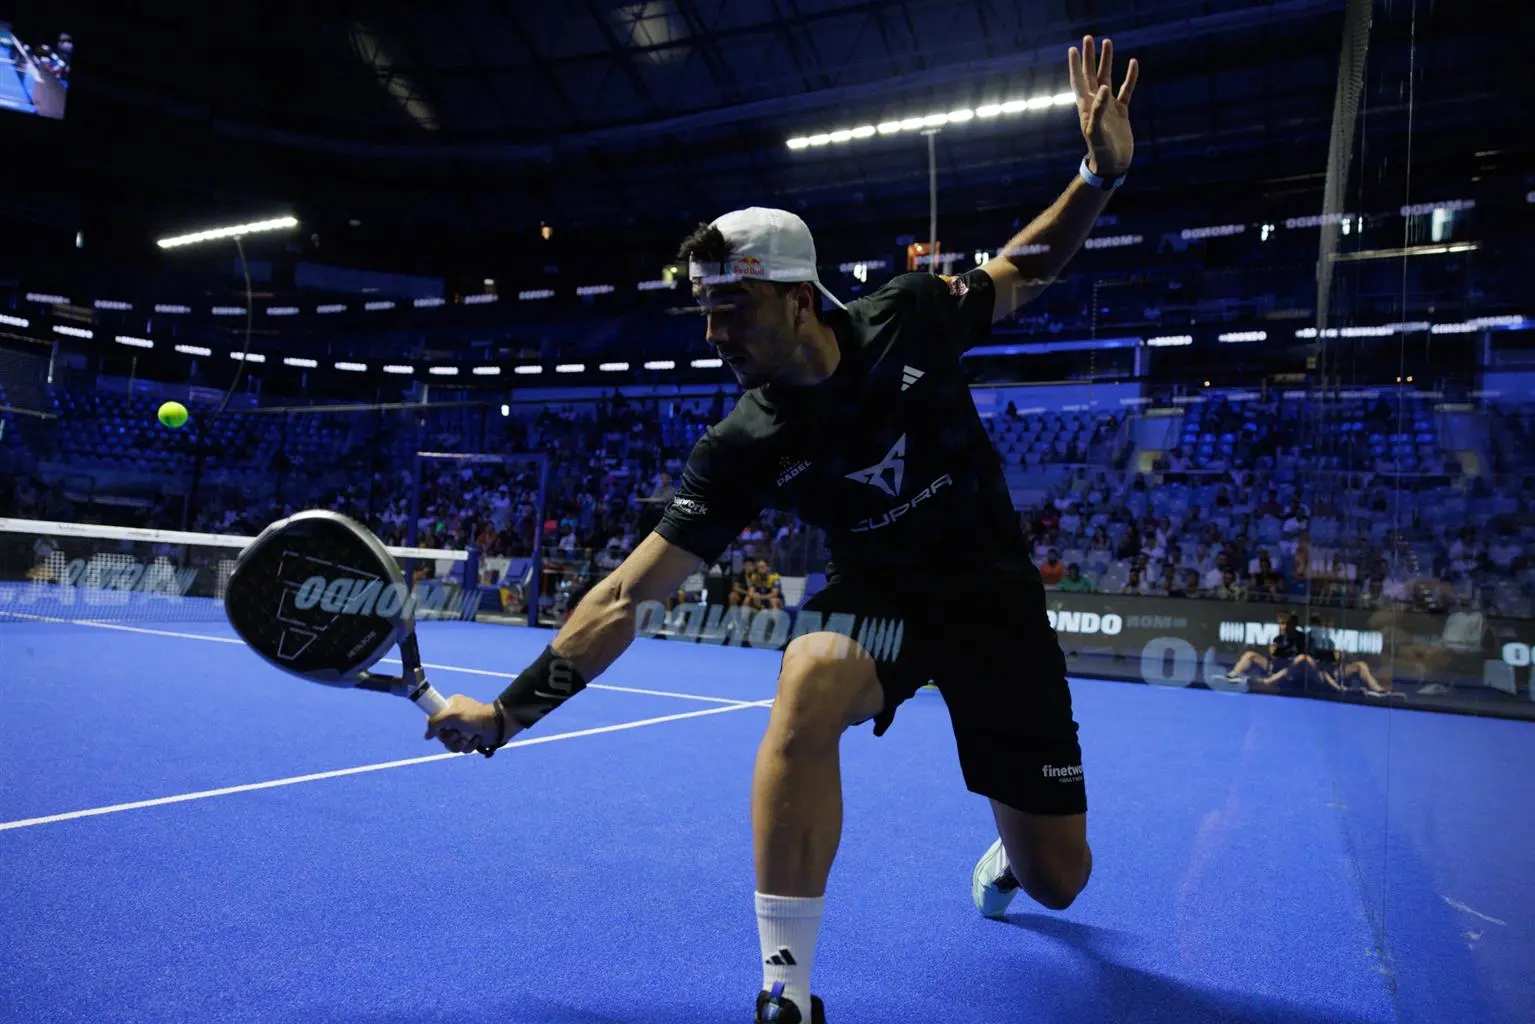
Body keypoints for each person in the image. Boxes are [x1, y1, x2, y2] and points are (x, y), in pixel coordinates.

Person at [424, 35, 1139, 1024]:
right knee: (803, 677)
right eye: (706, 313)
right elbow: (628, 593)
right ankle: (785, 990)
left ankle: (1012, 853)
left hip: (992, 603)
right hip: (882, 613)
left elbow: (1033, 264)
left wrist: (1095, 174)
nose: (714, 334)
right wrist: (507, 713)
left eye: (733, 308)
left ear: (798, 296)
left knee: (1060, 877)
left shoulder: (911, 317)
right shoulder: (742, 442)